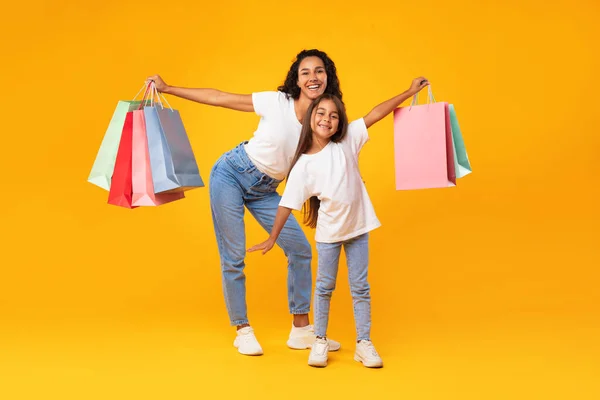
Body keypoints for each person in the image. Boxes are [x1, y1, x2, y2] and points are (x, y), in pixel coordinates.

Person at [147, 49, 345, 356]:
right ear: (297, 78)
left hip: (265, 190)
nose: (312, 78)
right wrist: (169, 88)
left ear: (327, 76)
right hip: (231, 173)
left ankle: (301, 330)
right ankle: (243, 329)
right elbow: (220, 97)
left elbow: (332, 161)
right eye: (305, 72)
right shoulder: (277, 102)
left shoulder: (323, 121)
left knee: (300, 249)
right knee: (234, 256)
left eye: (319, 71)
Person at [247, 77, 430, 367]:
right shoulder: (304, 165)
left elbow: (375, 113)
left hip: (358, 228)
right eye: (321, 114)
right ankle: (319, 340)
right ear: (310, 118)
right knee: (324, 288)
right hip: (329, 235)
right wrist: (272, 237)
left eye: (333, 116)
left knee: (360, 288)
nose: (327, 119)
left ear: (339, 122)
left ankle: (363, 343)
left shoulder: (348, 140)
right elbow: (286, 204)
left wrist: (408, 93)